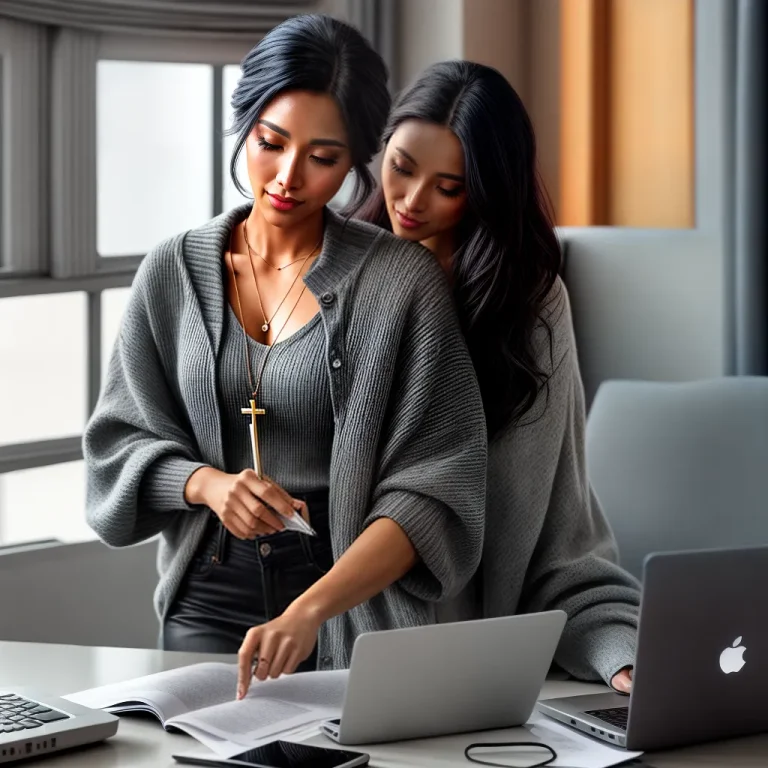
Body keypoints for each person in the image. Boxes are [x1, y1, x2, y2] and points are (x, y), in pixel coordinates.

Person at [83, 18, 487, 699]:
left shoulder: (401, 283)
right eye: (270, 143)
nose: (288, 177)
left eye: (323, 157)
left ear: (357, 158)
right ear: (244, 124)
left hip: (351, 609)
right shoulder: (172, 272)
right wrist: (207, 484)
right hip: (205, 601)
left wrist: (310, 611)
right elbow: (116, 445)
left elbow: (437, 488)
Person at [359, 60, 640, 693]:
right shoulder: (335, 272)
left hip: (473, 663)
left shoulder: (531, 308)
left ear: (486, 190)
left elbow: (563, 533)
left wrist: (620, 654)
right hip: (330, 634)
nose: (410, 201)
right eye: (401, 167)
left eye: (447, 186)